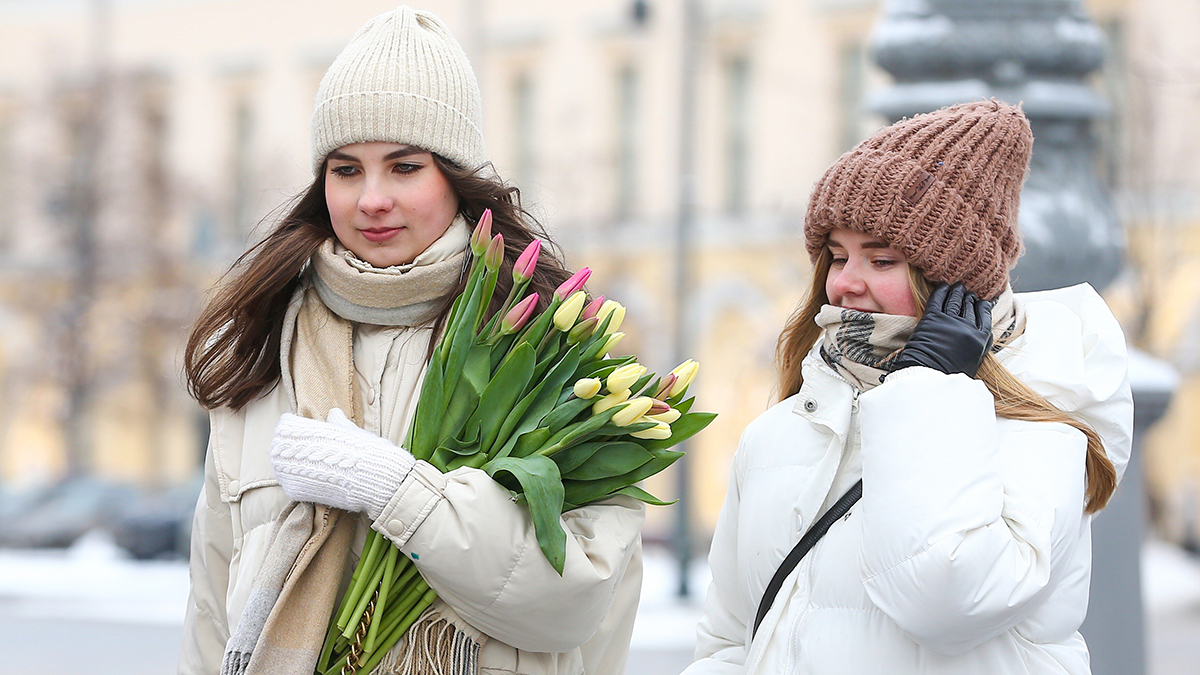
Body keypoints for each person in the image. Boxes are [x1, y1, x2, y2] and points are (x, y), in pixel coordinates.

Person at [178, 7, 644, 675]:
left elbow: (575, 602)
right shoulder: (264, 358)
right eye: (345, 169)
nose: (372, 198)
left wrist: (400, 491)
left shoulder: (549, 355)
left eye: (403, 167)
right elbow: (210, 615)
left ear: (454, 178)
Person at [685, 100, 1133, 674]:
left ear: (955, 287)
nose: (845, 283)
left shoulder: (1040, 426)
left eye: (882, 260)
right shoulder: (777, 434)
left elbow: (948, 599)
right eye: (838, 256)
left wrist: (926, 387)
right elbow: (729, 642)